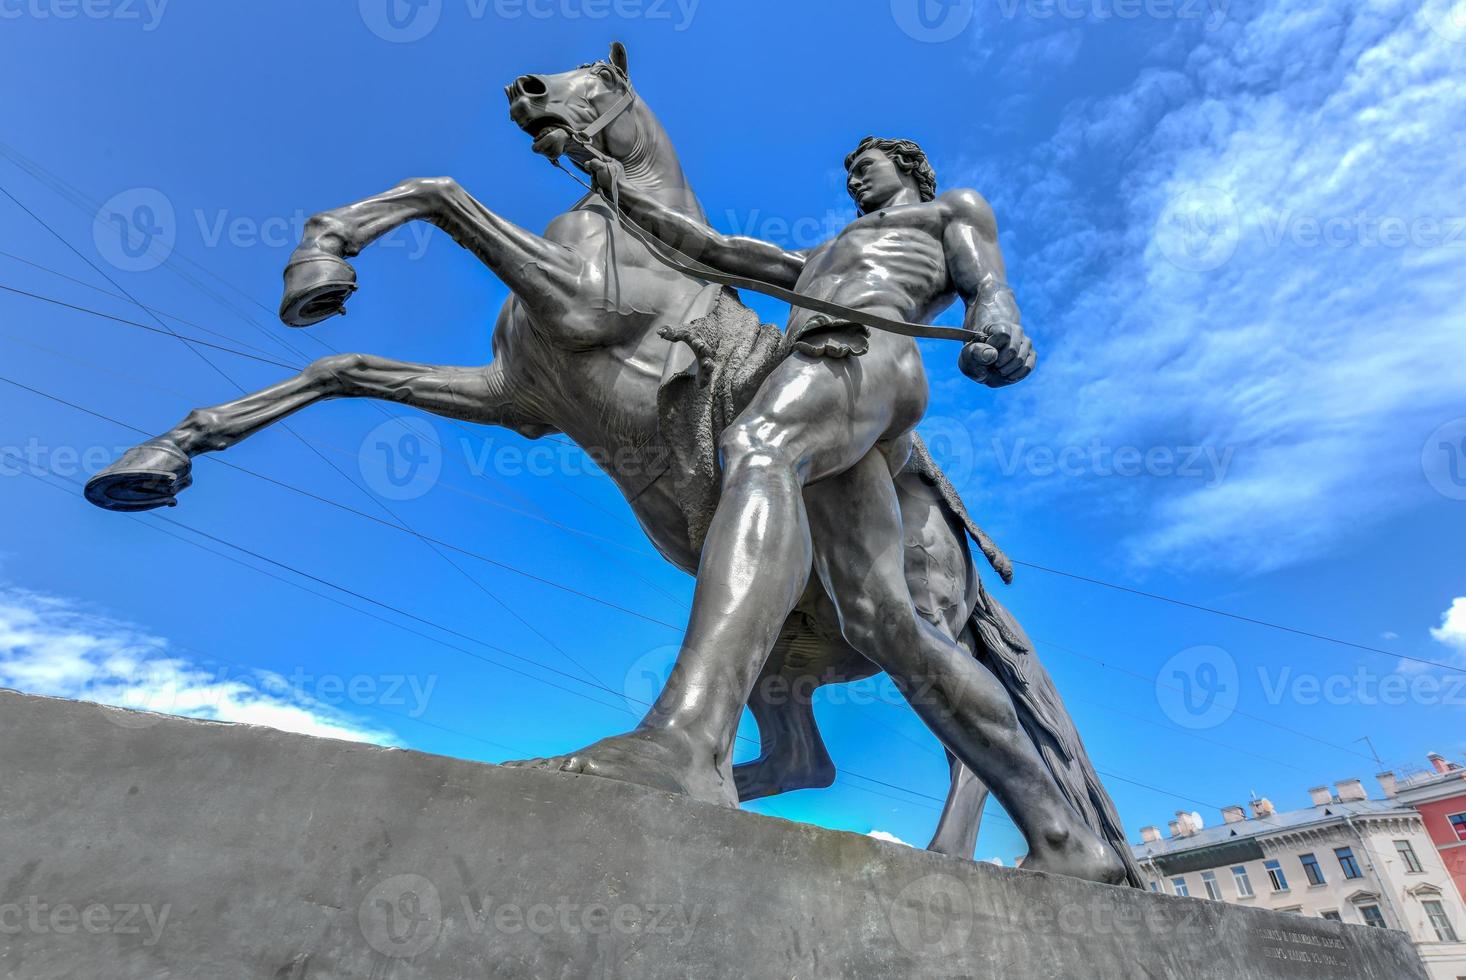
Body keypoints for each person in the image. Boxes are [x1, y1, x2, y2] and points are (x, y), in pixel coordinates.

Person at [511, 136, 1123, 884]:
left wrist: (1001, 321)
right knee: (881, 622)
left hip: (868, 352)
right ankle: (1063, 838)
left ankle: (689, 744)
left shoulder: (947, 210)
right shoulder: (826, 251)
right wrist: (616, 185)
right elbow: (716, 248)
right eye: (848, 167)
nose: (855, 171)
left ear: (912, 169)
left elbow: (987, 282)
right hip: (827, 366)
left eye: (871, 161)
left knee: (760, 444)